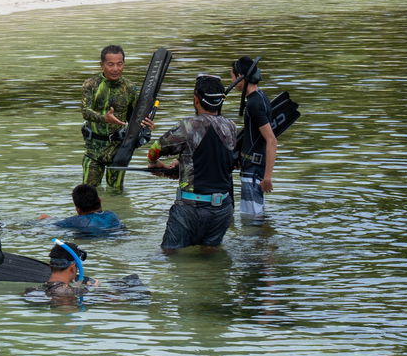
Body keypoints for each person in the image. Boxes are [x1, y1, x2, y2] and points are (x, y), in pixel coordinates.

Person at [150, 74, 239, 253]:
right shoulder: (231, 127)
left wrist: (154, 163)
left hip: (190, 209)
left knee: (168, 254)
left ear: (196, 99)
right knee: (209, 256)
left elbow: (155, 149)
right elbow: (214, 157)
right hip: (223, 209)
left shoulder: (188, 126)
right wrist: (183, 160)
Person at [80, 45, 149, 190]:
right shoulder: (90, 85)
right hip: (93, 149)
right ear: (102, 65)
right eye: (110, 64)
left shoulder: (131, 88)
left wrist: (146, 125)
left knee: (116, 193)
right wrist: (104, 118)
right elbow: (85, 111)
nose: (115, 69)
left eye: (119, 64)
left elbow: (138, 118)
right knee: (88, 193)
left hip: (118, 150)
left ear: (124, 64)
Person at [231, 55, 278, 220]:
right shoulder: (260, 97)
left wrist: (267, 177)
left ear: (240, 78)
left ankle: (262, 244)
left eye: (232, 75)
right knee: (256, 217)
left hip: (253, 172)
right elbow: (253, 135)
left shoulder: (253, 104)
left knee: (252, 221)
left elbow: (271, 140)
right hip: (251, 167)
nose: (232, 80)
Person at [49, 183, 124, 236]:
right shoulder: (112, 215)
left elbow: (49, 227)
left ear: (78, 209)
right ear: (100, 200)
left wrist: (46, 219)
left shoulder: (76, 221)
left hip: (89, 238)